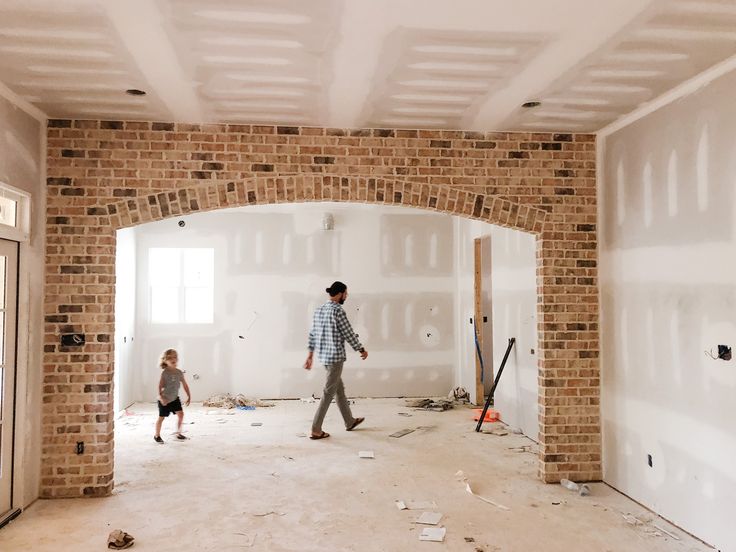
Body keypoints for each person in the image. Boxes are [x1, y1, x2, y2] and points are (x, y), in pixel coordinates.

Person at [304, 281, 368, 440]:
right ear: (339, 293)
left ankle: (349, 421)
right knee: (328, 393)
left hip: (324, 358)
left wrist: (310, 355)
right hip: (335, 358)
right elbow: (349, 333)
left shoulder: (319, 310)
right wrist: (361, 349)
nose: (346, 296)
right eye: (345, 293)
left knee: (339, 389)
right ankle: (315, 429)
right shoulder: (338, 311)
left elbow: (312, 334)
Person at [154, 348, 191, 444]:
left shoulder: (179, 372)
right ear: (165, 360)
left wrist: (189, 395)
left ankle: (178, 433)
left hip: (174, 399)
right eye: (170, 358)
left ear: (177, 359)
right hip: (165, 399)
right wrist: (161, 398)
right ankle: (157, 435)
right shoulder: (165, 373)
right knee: (161, 418)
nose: (173, 359)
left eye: (175, 357)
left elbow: (185, 384)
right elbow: (160, 386)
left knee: (181, 414)